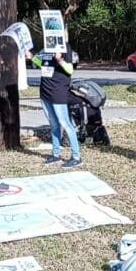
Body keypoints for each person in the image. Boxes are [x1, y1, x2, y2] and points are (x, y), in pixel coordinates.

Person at [30, 31, 82, 168]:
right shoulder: (47, 48)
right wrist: (30, 57)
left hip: (58, 93)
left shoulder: (65, 48)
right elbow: (42, 63)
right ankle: (55, 154)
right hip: (45, 93)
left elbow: (70, 70)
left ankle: (76, 156)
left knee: (65, 124)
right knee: (53, 124)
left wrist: (60, 60)